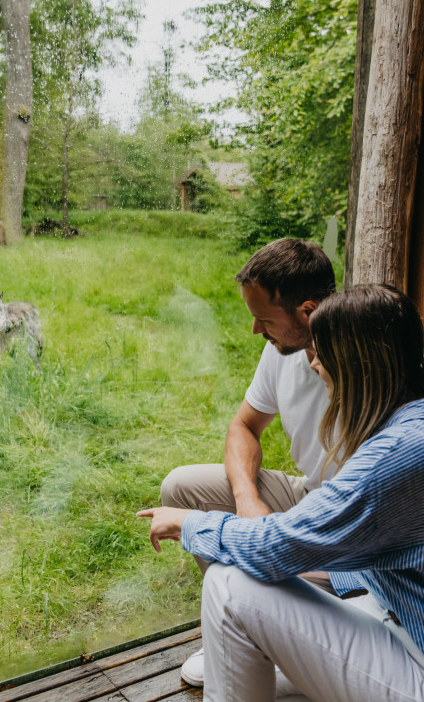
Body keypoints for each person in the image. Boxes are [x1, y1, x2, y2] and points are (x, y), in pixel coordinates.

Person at [139, 284, 424, 702]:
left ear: (357, 363)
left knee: (229, 586)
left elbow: (275, 548)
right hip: (397, 610)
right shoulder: (408, 423)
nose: (314, 365)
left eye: (322, 352)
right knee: (248, 651)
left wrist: (190, 523)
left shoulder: (399, 454)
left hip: (413, 653)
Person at [161, 238, 337, 685]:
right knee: (181, 488)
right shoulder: (282, 349)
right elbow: (244, 427)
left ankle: (267, 633)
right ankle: (251, 631)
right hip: (310, 494)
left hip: (347, 535)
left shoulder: (360, 362)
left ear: (308, 311)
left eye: (263, 318)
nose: (255, 331)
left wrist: (256, 536)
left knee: (239, 556)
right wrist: (245, 499)